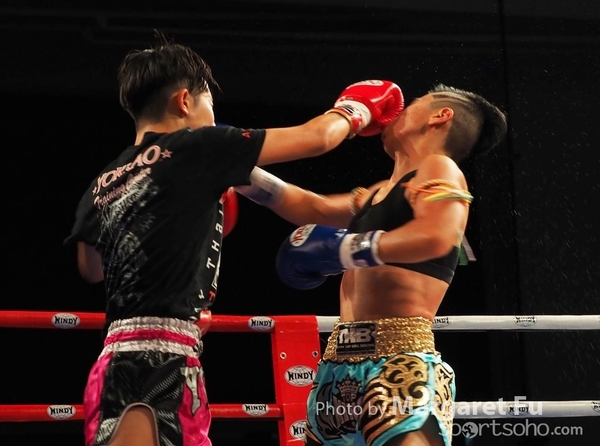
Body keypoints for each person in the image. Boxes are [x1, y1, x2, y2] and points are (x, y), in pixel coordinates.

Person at [63, 29, 404, 446]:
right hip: (154, 364)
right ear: (184, 101)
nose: (213, 113)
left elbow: (92, 269)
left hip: (123, 358)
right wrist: (356, 108)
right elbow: (318, 137)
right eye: (208, 101)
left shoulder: (104, 183)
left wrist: (361, 201)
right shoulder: (198, 147)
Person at [235, 83, 508, 446]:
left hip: (398, 360)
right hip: (338, 367)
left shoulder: (439, 168)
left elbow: (438, 236)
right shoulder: (379, 191)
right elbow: (313, 207)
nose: (394, 114)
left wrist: (348, 248)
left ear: (440, 116)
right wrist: (236, 168)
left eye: (412, 105)